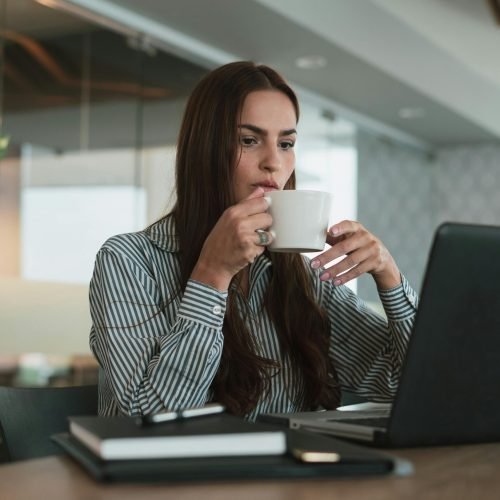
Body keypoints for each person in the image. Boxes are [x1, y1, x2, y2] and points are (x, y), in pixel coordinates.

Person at [89, 61, 418, 420]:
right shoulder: (128, 261)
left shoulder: (302, 278)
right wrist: (211, 275)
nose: (274, 163)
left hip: (287, 473)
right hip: (175, 476)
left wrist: (389, 277)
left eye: (287, 143)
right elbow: (148, 418)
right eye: (249, 140)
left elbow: (405, 383)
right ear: (205, 149)